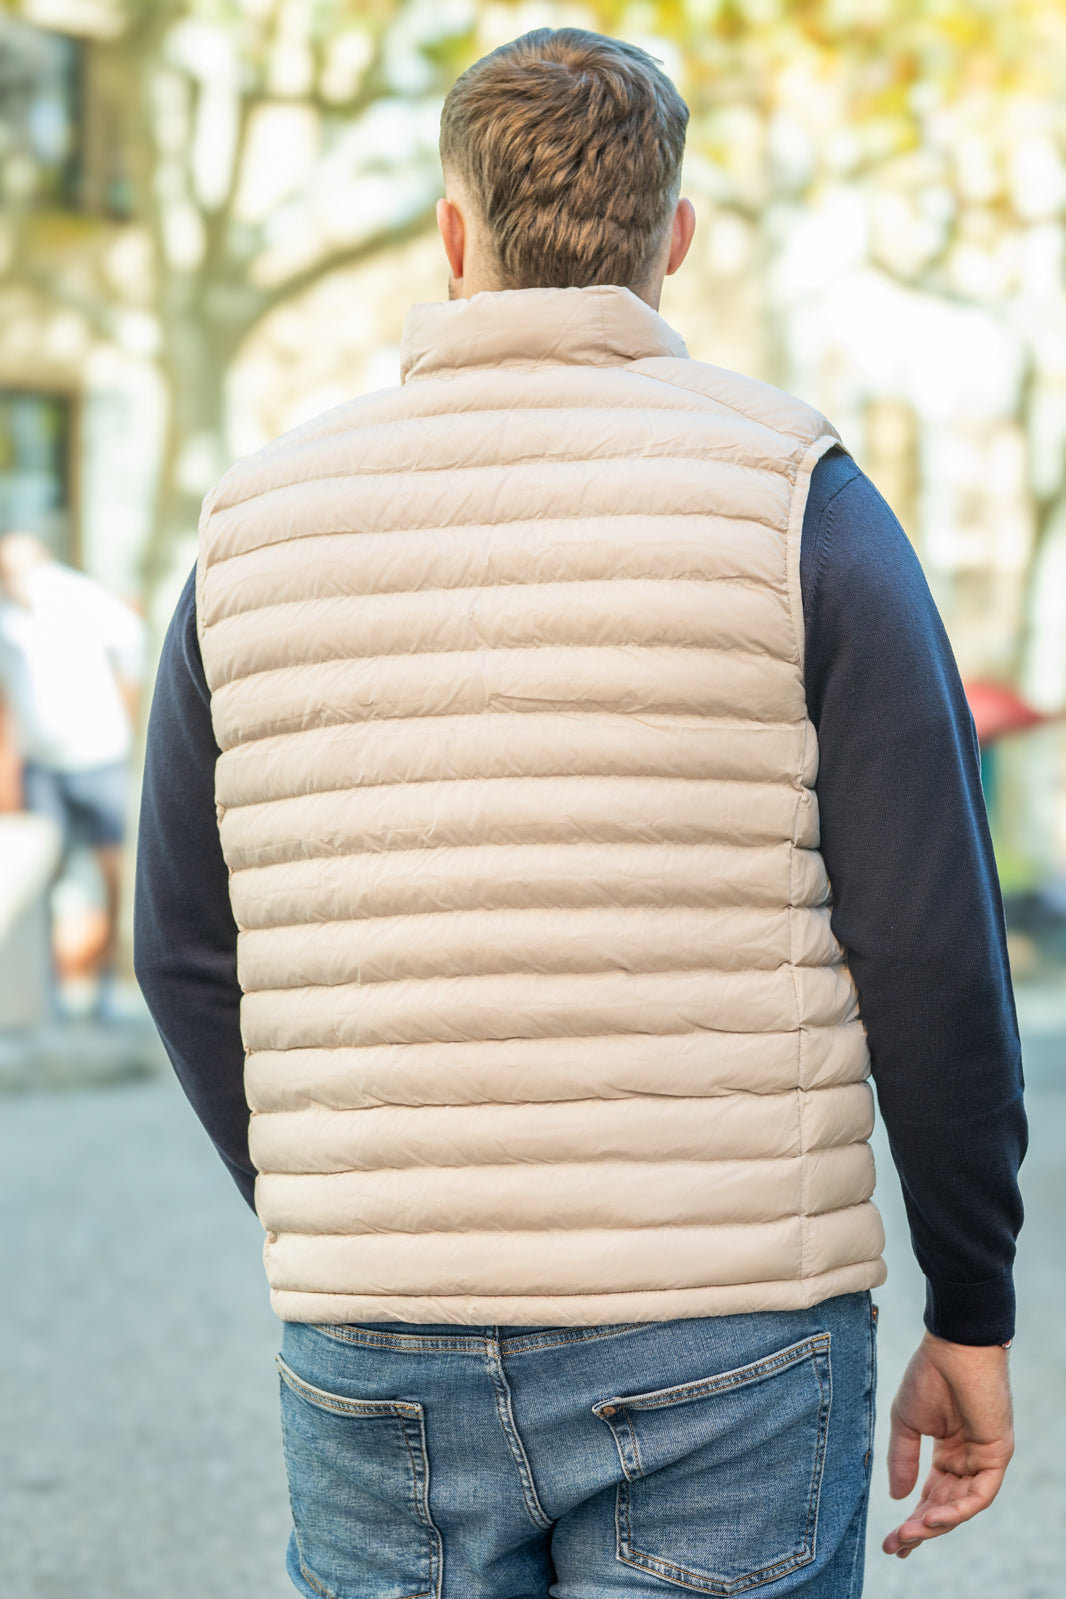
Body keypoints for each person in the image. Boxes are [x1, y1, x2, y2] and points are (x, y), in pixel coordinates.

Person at [134, 29, 1025, 1598]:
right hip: (726, 1325)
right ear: (671, 237)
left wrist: (354, 1219)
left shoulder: (248, 529)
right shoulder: (795, 497)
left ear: (452, 233)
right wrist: (972, 1299)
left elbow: (184, 948)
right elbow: (929, 943)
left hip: (376, 1335)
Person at [0, 531, 144, 1008]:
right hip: (43, 764)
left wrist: (126, 711)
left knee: (111, 867)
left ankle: (107, 982)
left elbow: (131, 638)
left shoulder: (77, 597)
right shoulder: (7, 615)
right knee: (45, 872)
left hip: (97, 756)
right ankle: (49, 990)